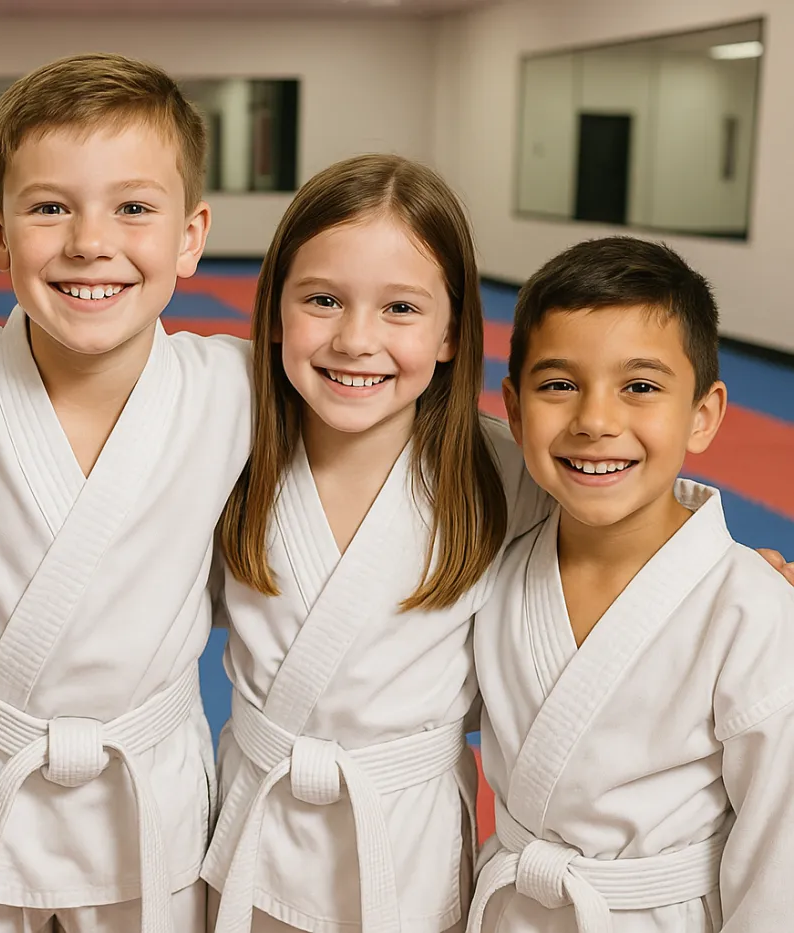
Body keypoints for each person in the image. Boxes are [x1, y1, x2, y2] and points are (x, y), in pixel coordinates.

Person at [0, 53, 250, 933]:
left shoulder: (237, 390)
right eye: (49, 208)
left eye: (134, 208)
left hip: (148, 802)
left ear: (190, 235)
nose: (89, 243)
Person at [204, 155, 549, 933]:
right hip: (255, 829)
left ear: (453, 331)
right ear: (274, 314)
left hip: (408, 848)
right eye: (322, 300)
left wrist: (723, 576)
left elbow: (622, 540)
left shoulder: (503, 473)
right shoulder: (226, 446)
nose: (357, 340)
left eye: (401, 308)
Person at [469, 236, 794, 931]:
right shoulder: (495, 573)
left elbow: (780, 858)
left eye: (640, 386)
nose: (595, 420)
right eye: (558, 384)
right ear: (515, 409)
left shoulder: (753, 613)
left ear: (703, 413)